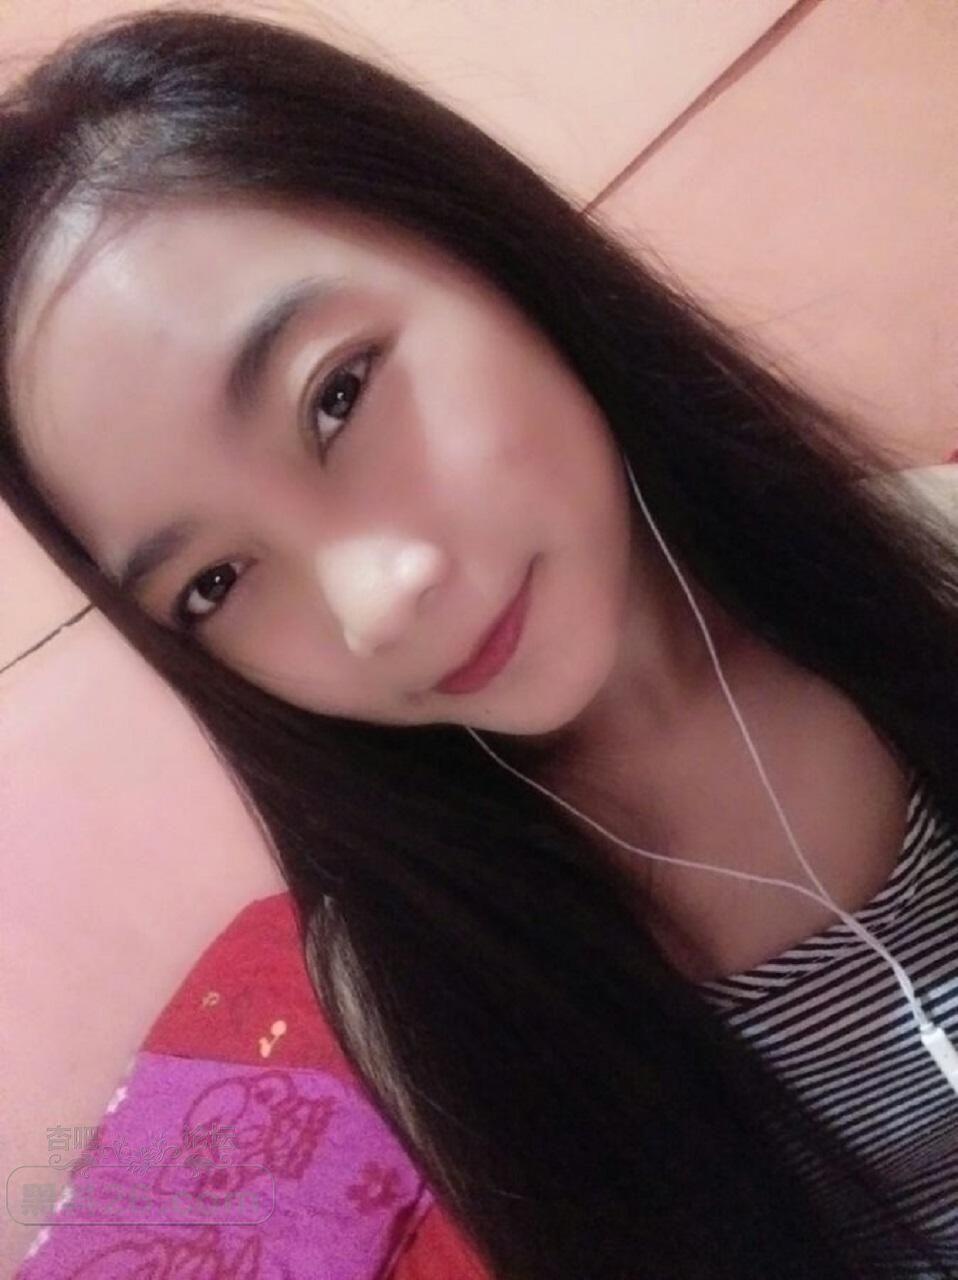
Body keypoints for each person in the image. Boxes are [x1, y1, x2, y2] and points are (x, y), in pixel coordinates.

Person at [1, 9, 956, 1278]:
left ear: (489, 251)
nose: (375, 601)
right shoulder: (417, 979)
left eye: (337, 394)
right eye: (214, 582)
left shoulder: (925, 567)